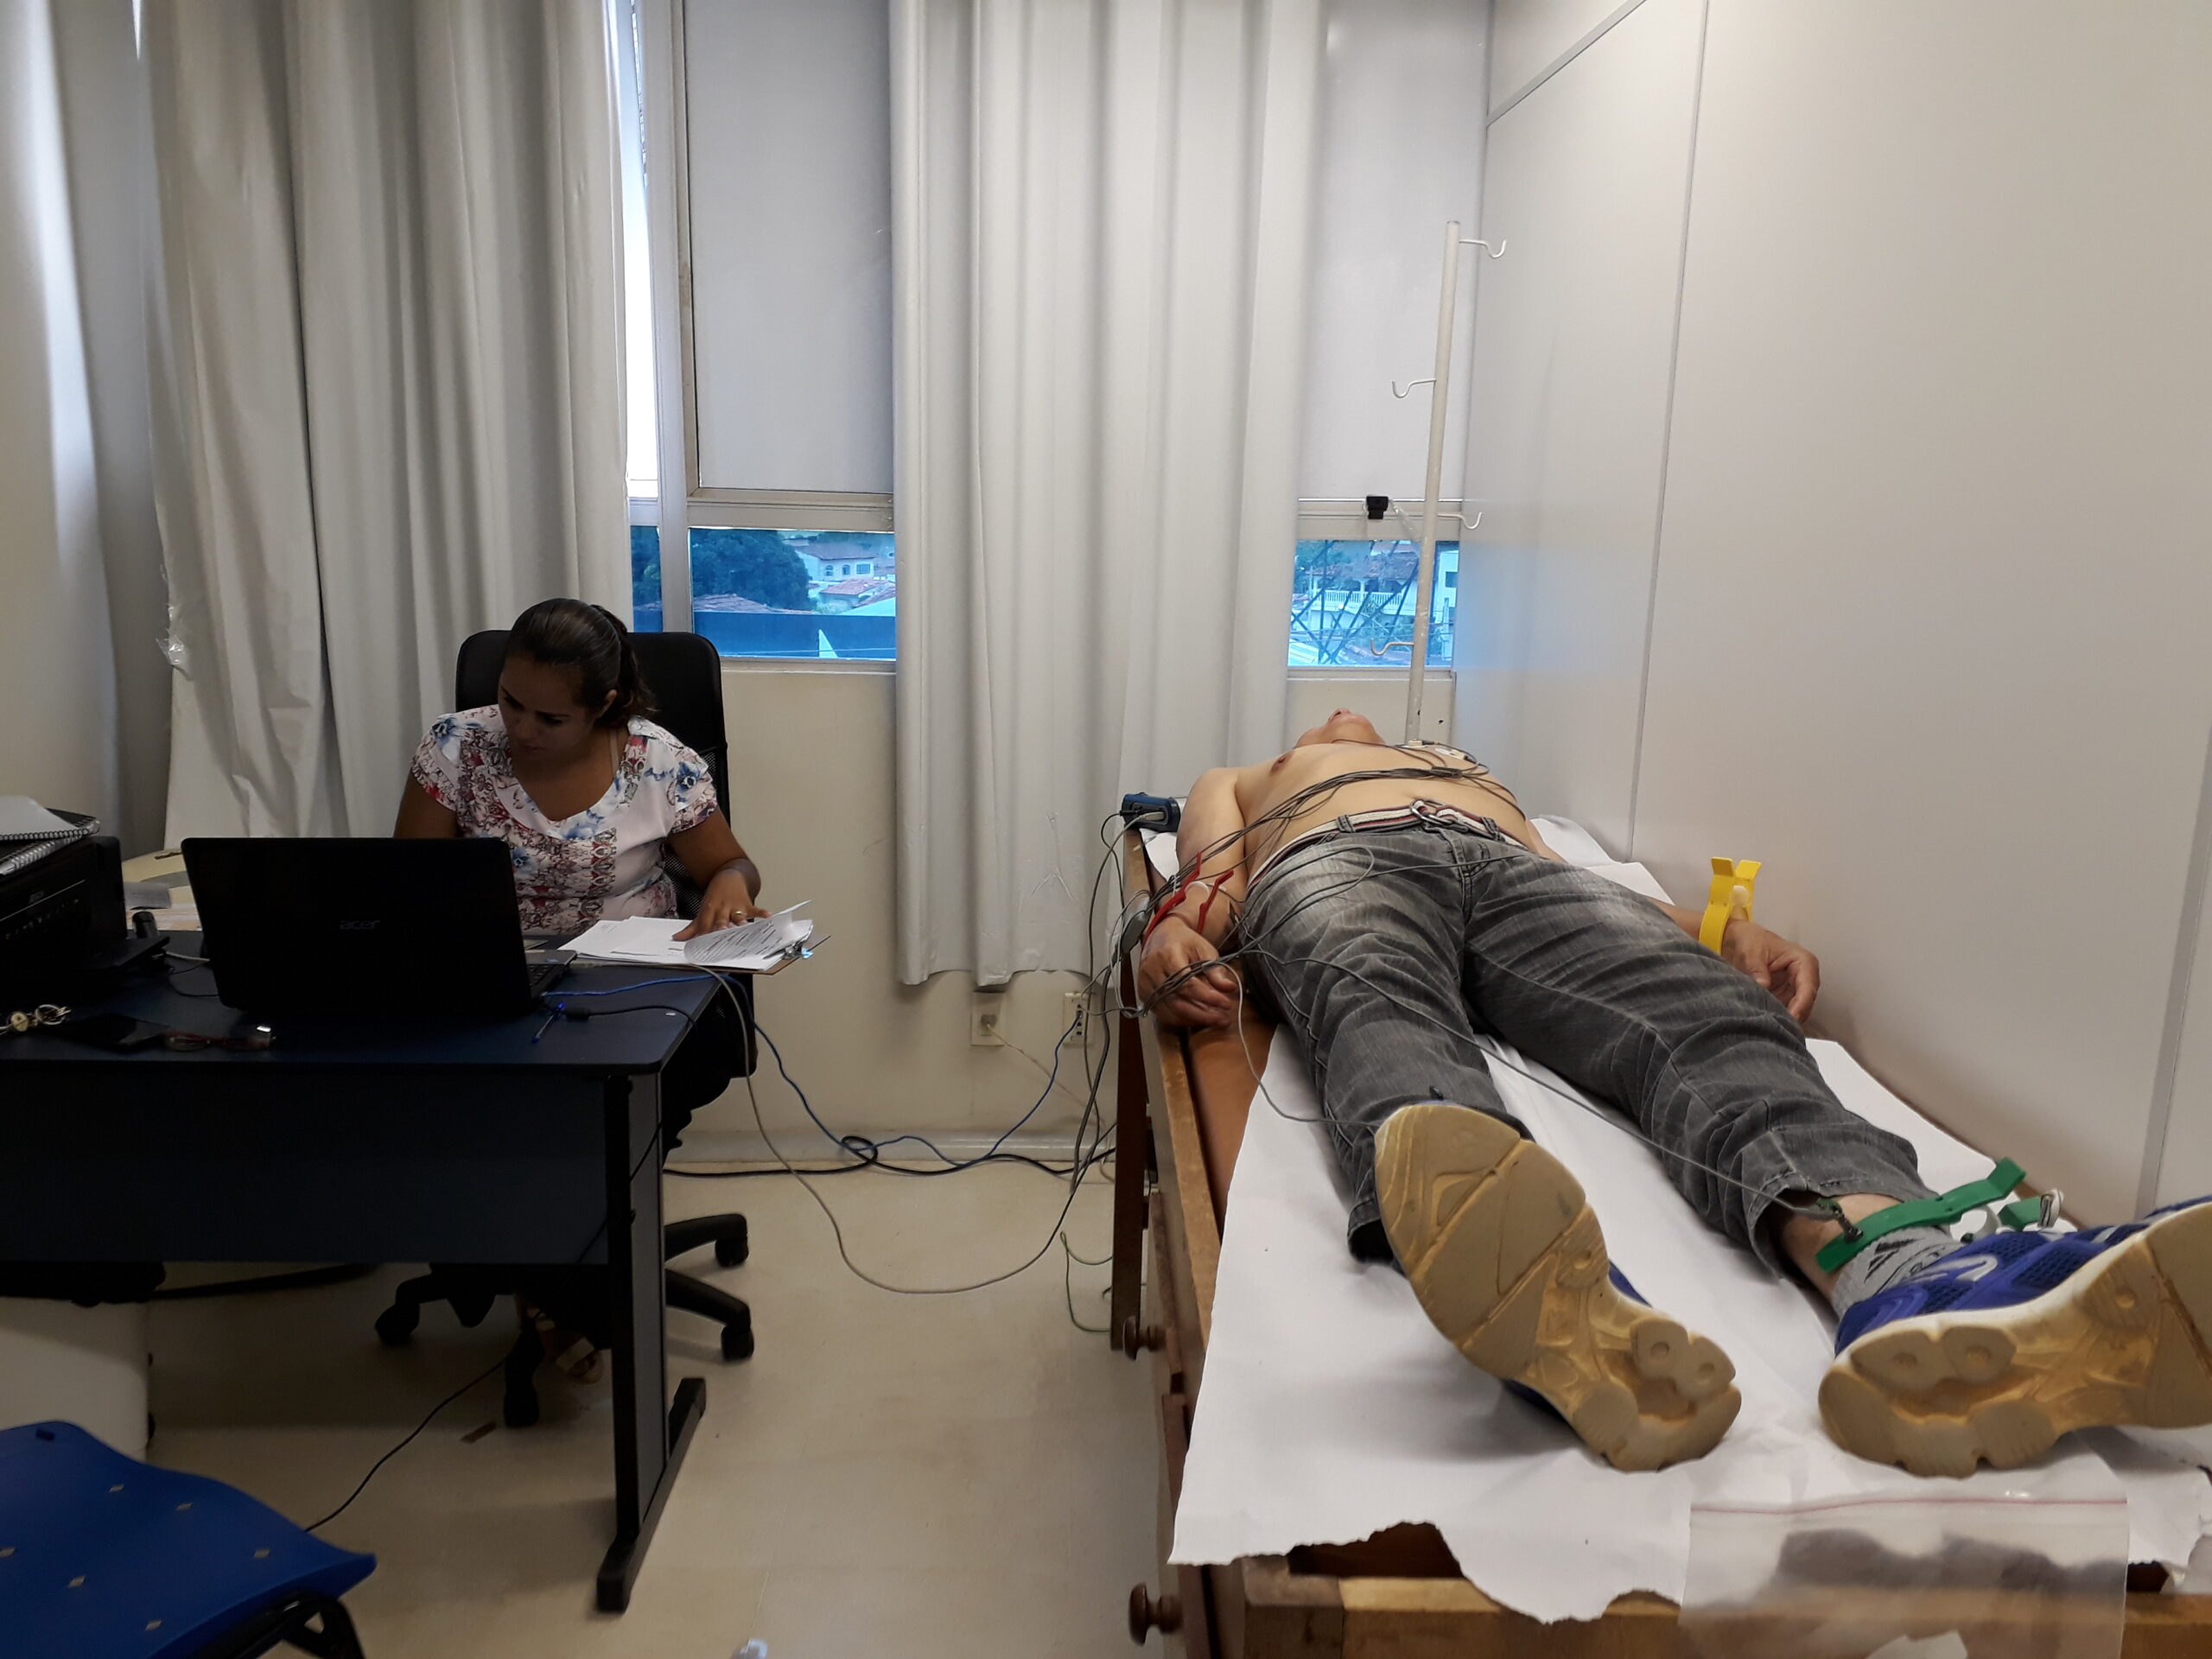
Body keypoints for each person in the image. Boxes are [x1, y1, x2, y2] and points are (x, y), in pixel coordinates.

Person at [1137, 709, 2212, 1477]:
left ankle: (1910, 1274)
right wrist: (1176, 932)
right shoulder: (1256, 773)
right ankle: (1536, 1285)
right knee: (1375, 999)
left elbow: (1593, 887)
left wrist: (1723, 934)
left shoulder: (1466, 770)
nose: (1347, 712)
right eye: (1328, 712)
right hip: (1333, 859)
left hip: (1522, 875)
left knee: (1710, 1018)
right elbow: (1209, 870)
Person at [397, 597, 760, 1374]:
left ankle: (553, 1292)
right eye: (510, 702)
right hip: (493, 979)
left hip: (631, 986)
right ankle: (564, 1291)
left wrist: (729, 884)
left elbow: (730, 864)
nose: (522, 728)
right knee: (470, 1102)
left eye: (550, 718)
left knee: (594, 1116)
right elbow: (411, 886)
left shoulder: (659, 762)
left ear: (605, 705)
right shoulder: (456, 746)